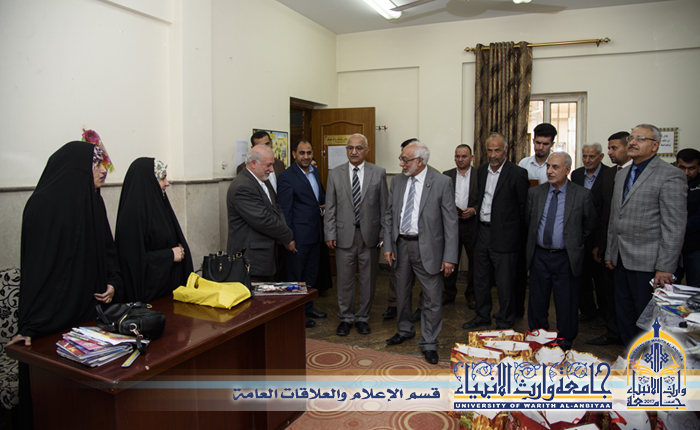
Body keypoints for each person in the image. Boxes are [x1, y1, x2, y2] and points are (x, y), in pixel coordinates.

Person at [10, 139, 121, 347]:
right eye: (97, 164)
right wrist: (30, 326)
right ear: (78, 168)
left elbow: (108, 252)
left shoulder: (94, 202)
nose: (103, 170)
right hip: (50, 322)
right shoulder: (42, 206)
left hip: (91, 318)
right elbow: (38, 272)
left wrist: (113, 283)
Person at [605, 124, 686, 348]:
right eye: (631, 138)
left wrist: (665, 267)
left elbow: (674, 225)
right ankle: (631, 357)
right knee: (625, 316)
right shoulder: (622, 174)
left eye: (640, 139)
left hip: (650, 265)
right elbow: (615, 217)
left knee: (650, 322)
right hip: (621, 260)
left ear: (655, 145)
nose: (632, 142)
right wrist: (611, 252)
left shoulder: (670, 175)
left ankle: (650, 363)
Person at [384, 140, 458, 364]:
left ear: (419, 161)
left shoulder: (442, 182)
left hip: (429, 249)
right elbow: (389, 215)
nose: (401, 163)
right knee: (401, 293)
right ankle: (405, 330)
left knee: (432, 299)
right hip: (401, 246)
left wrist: (449, 257)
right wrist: (388, 245)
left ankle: (429, 342)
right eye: (401, 159)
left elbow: (451, 222)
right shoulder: (397, 181)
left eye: (405, 160)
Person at [526, 152, 596, 350]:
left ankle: (565, 341)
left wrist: (573, 242)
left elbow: (589, 225)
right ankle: (538, 337)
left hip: (566, 257)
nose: (550, 171)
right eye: (548, 166)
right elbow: (529, 222)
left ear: (567, 170)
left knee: (566, 301)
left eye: (555, 167)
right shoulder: (535, 193)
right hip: (540, 255)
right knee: (537, 300)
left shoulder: (581, 195)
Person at [463, 132, 529, 330]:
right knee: (480, 278)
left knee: (504, 282)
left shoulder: (517, 173)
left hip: (506, 237)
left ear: (506, 149)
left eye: (497, 150)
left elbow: (524, 209)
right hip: (482, 232)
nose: (493, 155)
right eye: (489, 150)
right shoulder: (482, 171)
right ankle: (482, 315)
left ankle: (505, 320)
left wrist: (516, 239)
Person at [325, 134, 387, 336]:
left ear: (366, 150)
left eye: (358, 148)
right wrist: (330, 233)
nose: (354, 152)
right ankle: (346, 318)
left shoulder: (378, 173)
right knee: (345, 280)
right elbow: (330, 207)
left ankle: (362, 318)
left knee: (368, 280)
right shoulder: (335, 174)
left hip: (370, 236)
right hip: (343, 236)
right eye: (350, 148)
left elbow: (384, 207)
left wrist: (383, 232)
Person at [116, 158, 194, 303]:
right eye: (162, 178)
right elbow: (132, 261)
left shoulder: (159, 206)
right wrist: (170, 255)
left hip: (168, 293)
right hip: (150, 301)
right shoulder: (132, 216)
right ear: (149, 182)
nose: (167, 183)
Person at [586, 131, 630, 346]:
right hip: (609, 244)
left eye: (614, 148)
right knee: (610, 291)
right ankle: (613, 331)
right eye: (609, 148)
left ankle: (632, 338)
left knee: (629, 296)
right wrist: (600, 245)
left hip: (634, 247)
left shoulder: (636, 173)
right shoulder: (610, 174)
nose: (610, 152)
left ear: (627, 147)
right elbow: (605, 213)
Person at [227, 145, 295, 281]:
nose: (272, 169)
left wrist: (281, 232)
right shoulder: (243, 186)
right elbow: (263, 220)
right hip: (251, 261)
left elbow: (276, 208)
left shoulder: (261, 180)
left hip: (265, 258)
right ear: (254, 163)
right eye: (268, 165)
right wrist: (287, 236)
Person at [278, 140, 327, 327]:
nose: (306, 157)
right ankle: (295, 313)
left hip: (315, 234)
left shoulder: (315, 172)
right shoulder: (286, 177)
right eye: (301, 153)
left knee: (310, 275)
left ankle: (308, 307)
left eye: (308, 153)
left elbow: (318, 198)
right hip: (298, 237)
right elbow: (285, 210)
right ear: (294, 154)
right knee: (295, 276)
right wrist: (288, 237)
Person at [571, 142, 609, 327]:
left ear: (601, 157)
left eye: (591, 156)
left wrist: (599, 244)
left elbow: (607, 210)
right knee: (582, 276)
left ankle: (604, 314)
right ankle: (587, 311)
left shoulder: (609, 175)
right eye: (584, 156)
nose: (587, 160)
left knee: (600, 280)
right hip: (580, 235)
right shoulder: (577, 175)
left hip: (599, 235)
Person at [442, 144, 479, 310]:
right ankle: (449, 293)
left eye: (464, 156)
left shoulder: (479, 175)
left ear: (471, 158)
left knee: (475, 263)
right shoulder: (446, 175)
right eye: (457, 156)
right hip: (452, 225)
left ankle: (472, 295)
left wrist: (474, 210)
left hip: (473, 225)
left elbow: (486, 199)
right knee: (450, 260)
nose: (460, 159)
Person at [676, 148, 700, 286]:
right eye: (682, 167)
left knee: (695, 287)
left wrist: (676, 229)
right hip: (673, 247)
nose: (686, 173)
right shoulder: (670, 181)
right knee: (670, 287)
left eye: (691, 168)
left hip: (695, 246)